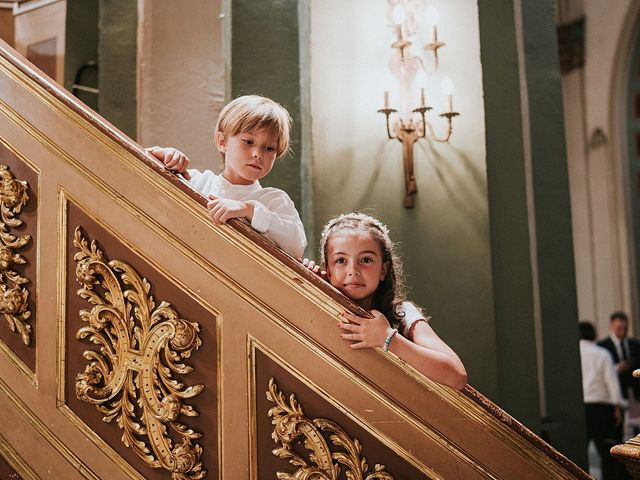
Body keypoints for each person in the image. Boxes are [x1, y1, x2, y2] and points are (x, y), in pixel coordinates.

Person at [305, 213, 467, 390]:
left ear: (383, 270)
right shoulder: (316, 305)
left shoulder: (402, 314)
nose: (353, 270)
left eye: (366, 260)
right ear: (328, 270)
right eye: (341, 260)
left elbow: (456, 376)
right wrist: (305, 283)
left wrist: (387, 338)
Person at [147, 95, 307, 260]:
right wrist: (162, 154)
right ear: (222, 141)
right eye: (248, 141)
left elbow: (297, 247)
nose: (258, 154)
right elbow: (138, 175)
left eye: (269, 148)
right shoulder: (196, 182)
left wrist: (249, 210)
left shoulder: (274, 200)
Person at [580, 321, 624, 480]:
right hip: (600, 407)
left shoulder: (572, 353)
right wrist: (617, 406)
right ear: (594, 335)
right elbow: (611, 381)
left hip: (579, 406)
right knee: (607, 451)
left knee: (579, 449)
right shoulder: (602, 353)